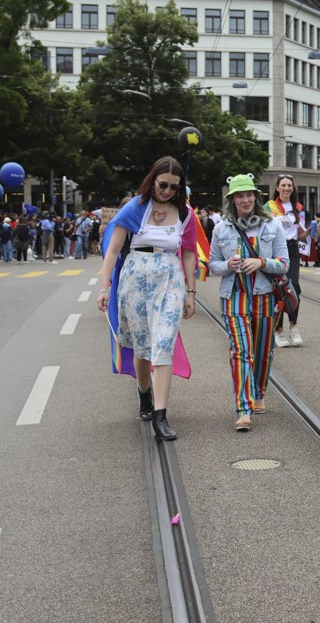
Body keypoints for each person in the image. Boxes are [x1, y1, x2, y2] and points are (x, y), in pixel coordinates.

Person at [97, 156, 198, 441]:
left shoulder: (185, 213)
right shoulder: (135, 207)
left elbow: (189, 252)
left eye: (174, 188)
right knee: (143, 348)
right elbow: (113, 251)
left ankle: (160, 416)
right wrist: (105, 289)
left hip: (170, 279)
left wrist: (191, 292)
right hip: (135, 279)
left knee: (163, 343)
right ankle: (144, 393)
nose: (167, 191)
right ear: (152, 180)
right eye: (163, 185)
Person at [209, 174, 289, 432]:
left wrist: (262, 262)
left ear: (255, 197)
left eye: (248, 194)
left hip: (264, 296)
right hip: (234, 297)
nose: (244, 199)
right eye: (239, 196)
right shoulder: (222, 229)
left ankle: (258, 391)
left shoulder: (273, 226)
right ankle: (243, 409)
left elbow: (284, 264)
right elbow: (212, 265)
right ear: (232, 199)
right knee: (241, 351)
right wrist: (227, 265)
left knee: (263, 351)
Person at [266, 175, 308, 347]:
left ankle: (293, 327)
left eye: (289, 185)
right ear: (277, 187)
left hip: (292, 249)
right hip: (275, 248)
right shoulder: (268, 207)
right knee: (278, 289)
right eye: (283, 185)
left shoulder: (298, 208)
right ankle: (279, 330)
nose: (286, 188)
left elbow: (300, 235)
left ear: (293, 188)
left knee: (294, 287)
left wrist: (311, 233)